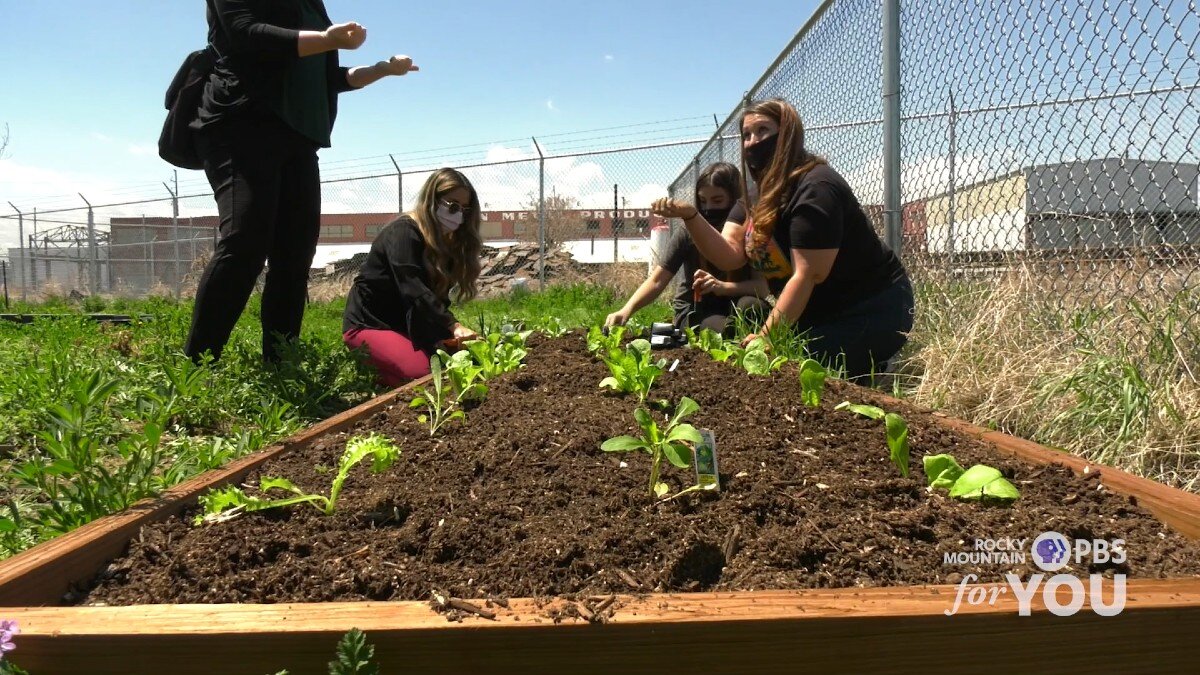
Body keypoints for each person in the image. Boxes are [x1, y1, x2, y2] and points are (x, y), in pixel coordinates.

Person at [185, 0, 420, 363]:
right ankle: (197, 363)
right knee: (246, 241)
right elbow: (246, 33)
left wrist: (380, 69)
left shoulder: (312, 4)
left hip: (297, 137)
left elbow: (327, 78)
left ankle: (280, 359)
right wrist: (327, 38)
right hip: (241, 125)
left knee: (295, 253)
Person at [651, 98, 914, 378]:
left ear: (788, 133)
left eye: (763, 131)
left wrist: (766, 338)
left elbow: (807, 274)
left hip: (871, 308)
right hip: (819, 312)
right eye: (746, 135)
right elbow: (729, 253)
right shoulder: (755, 197)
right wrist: (691, 216)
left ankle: (877, 368)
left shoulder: (816, 187)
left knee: (791, 370)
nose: (753, 142)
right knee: (775, 365)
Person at [342, 168, 482, 386]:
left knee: (462, 365)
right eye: (453, 206)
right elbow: (413, 289)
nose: (458, 214)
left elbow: (433, 301)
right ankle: (370, 370)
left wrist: (447, 337)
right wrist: (453, 326)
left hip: (405, 327)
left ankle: (395, 359)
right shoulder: (402, 233)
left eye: (465, 209)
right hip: (370, 324)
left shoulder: (444, 243)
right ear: (432, 199)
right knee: (426, 377)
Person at [605, 162, 770, 335]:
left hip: (733, 302)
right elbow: (657, 280)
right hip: (696, 308)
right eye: (703, 201)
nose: (709, 208)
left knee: (753, 307)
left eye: (717, 200)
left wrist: (722, 287)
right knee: (722, 328)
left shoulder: (748, 231)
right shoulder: (687, 232)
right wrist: (626, 310)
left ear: (735, 199)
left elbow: (761, 287)